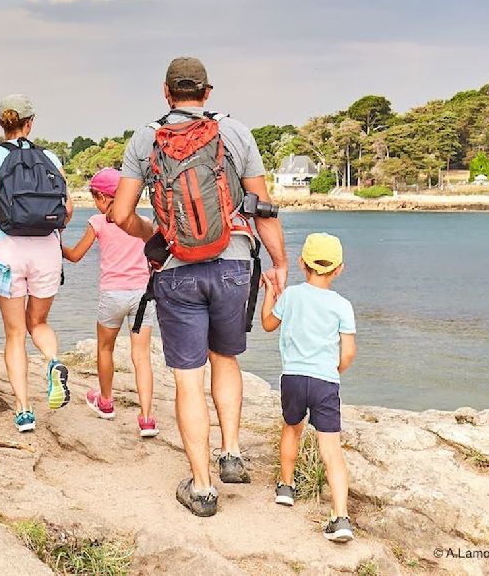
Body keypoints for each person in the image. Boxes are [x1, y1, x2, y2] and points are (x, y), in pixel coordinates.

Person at [110, 57, 288, 517]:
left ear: (166, 93)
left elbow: (120, 215)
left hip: (176, 268)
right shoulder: (236, 133)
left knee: (188, 379)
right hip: (232, 264)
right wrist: (281, 263)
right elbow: (262, 207)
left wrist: (154, 235)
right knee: (225, 358)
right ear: (207, 93)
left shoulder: (145, 138)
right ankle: (231, 452)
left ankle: (204, 488)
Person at [0, 93, 74, 433]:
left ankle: (24, 411)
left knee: (14, 334)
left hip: (6, 251)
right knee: (39, 323)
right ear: (30, 123)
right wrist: (55, 232)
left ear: (1, 122)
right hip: (47, 250)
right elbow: (68, 208)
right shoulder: (49, 156)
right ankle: (52, 361)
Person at [261, 232, 356, 542]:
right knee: (332, 449)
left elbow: (268, 324)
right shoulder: (343, 305)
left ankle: (286, 487)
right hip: (325, 381)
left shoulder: (291, 297)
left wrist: (270, 294)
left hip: (293, 378)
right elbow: (348, 353)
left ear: (302, 263)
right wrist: (333, 370)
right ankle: (340, 516)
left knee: (291, 429)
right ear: (339, 268)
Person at [62, 167, 159, 438]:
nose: (95, 203)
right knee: (141, 357)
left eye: (95, 197)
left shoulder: (98, 222)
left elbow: (75, 255)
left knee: (105, 349)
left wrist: (56, 242)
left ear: (104, 198)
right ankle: (147, 418)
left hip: (112, 295)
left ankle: (105, 402)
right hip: (141, 294)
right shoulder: (145, 221)